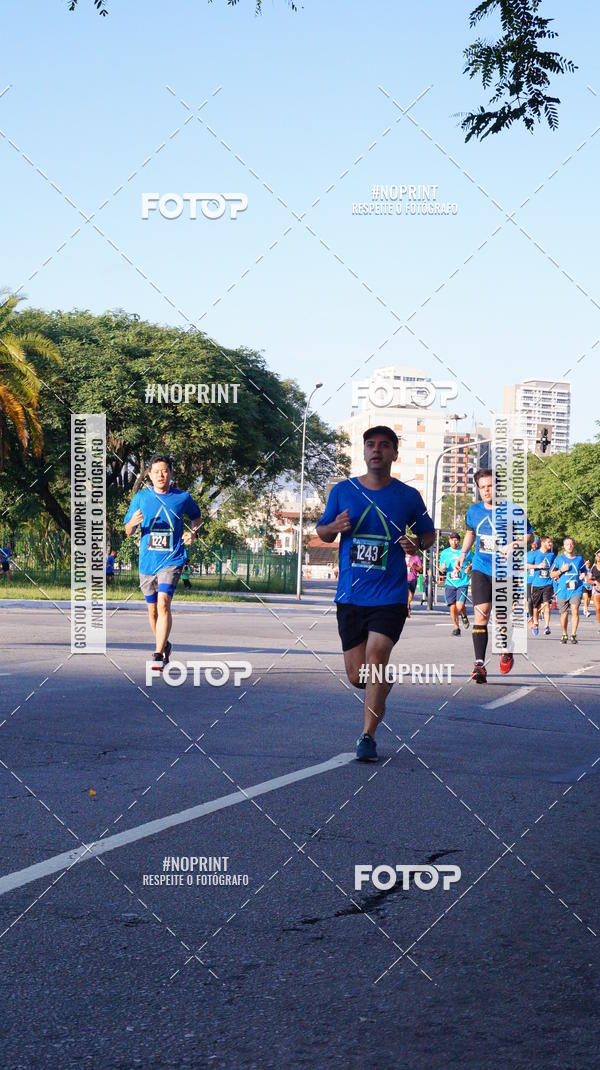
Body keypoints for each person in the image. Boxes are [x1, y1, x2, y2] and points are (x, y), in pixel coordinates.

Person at [316, 425, 435, 762]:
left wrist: (417, 544)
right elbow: (322, 532)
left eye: (385, 445)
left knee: (377, 655)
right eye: (371, 445)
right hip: (351, 596)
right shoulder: (343, 491)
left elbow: (429, 534)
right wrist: (333, 528)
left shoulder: (408, 496)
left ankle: (367, 737)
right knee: (358, 677)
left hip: (391, 595)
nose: (377, 450)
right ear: (364, 451)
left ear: (395, 454)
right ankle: (381, 683)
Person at [123, 454, 201, 672]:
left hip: (172, 558)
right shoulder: (141, 498)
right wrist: (132, 524)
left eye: (164, 471)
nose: (160, 475)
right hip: (148, 561)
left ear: (171, 473)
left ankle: (157, 655)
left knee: (164, 603)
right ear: (149, 474)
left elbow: (197, 517)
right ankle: (164, 644)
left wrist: (193, 533)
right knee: (152, 611)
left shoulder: (182, 497)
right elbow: (127, 530)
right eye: (156, 471)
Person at [456, 469, 533, 683]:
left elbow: (529, 534)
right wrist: (462, 554)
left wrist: (514, 544)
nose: (487, 491)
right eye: (482, 487)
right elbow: (471, 532)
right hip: (481, 567)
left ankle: (506, 649)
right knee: (482, 612)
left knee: (501, 617)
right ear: (478, 489)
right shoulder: (473, 511)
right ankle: (479, 664)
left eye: (490, 486)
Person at [550, 537, 587, 644]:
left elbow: (584, 571)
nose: (569, 546)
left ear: (574, 545)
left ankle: (573, 635)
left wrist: (583, 575)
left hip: (576, 589)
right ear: (564, 547)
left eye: (571, 544)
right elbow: (551, 574)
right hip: (563, 590)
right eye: (567, 544)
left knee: (575, 609)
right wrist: (561, 570)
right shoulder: (558, 559)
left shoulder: (579, 559)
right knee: (564, 613)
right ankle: (564, 633)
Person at [438, 531, 472, 636]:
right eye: (452, 539)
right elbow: (441, 568)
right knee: (452, 608)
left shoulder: (465, 551)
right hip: (450, 583)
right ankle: (456, 627)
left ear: (459, 541)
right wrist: (442, 568)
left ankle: (464, 615)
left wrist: (469, 567)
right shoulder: (444, 553)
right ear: (449, 541)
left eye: (456, 539)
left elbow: (476, 561)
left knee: (459, 605)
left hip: (462, 582)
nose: (454, 541)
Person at [528, 536, 554, 636]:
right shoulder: (535, 554)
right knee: (536, 606)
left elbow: (554, 566)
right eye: (548, 542)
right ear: (543, 543)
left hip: (548, 583)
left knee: (547, 604)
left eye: (550, 542)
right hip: (536, 583)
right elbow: (526, 565)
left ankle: (547, 626)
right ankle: (536, 623)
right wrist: (538, 566)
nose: (550, 544)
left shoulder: (552, 555)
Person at [526, 538, 540, 624]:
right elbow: (523, 566)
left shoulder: (541, 554)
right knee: (530, 599)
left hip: (539, 579)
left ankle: (536, 617)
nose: (534, 545)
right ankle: (531, 616)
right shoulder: (527, 554)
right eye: (533, 543)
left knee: (537, 600)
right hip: (529, 579)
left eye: (536, 543)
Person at [405, 550, 422, 617]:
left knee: (411, 595)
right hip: (403, 579)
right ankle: (406, 608)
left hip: (412, 579)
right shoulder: (402, 556)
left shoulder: (416, 557)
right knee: (406, 594)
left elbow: (420, 568)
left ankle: (407, 605)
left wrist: (414, 566)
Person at [586, 551, 600, 632]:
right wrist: (595, 582)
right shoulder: (593, 567)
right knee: (598, 609)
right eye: (598, 556)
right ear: (596, 557)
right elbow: (588, 580)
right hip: (596, 590)